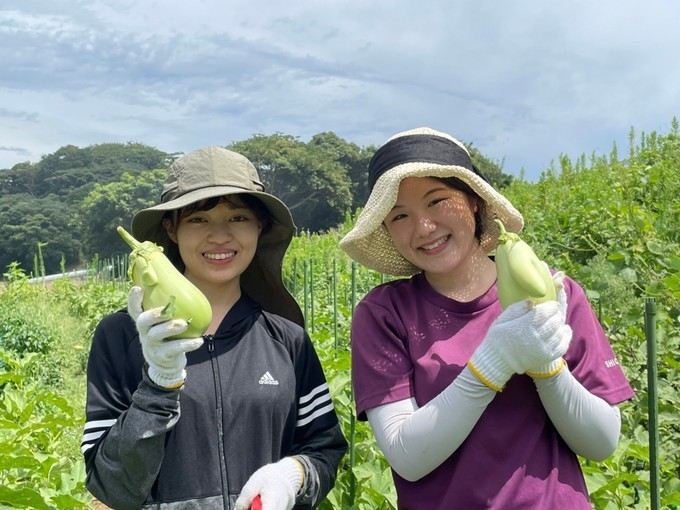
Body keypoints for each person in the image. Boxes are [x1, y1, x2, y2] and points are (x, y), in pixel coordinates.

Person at [339, 127, 634, 509]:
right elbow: (407, 457)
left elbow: (602, 442)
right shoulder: (385, 314)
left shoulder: (551, 294)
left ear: (475, 201)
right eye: (400, 216)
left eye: (437, 201)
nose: (424, 228)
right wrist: (494, 362)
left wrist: (547, 366)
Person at [81, 146, 347, 510]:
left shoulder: (288, 339)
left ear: (260, 226)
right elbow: (111, 487)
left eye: (237, 218)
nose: (220, 236)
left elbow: (324, 448)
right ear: (171, 230)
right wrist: (158, 385)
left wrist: (292, 475)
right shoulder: (120, 336)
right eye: (199, 219)